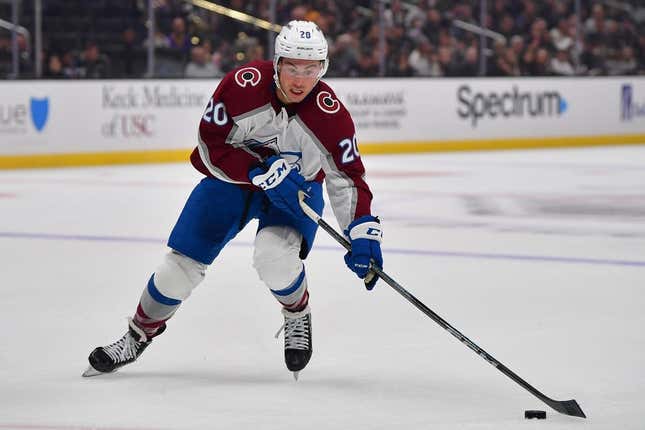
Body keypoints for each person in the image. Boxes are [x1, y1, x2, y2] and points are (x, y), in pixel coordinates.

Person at [82, 20, 383, 380]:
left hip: (294, 190)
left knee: (274, 259)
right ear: (277, 64)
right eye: (291, 67)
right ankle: (136, 336)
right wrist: (255, 171)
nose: (300, 79)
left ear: (323, 68)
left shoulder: (331, 117)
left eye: (310, 69)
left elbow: (346, 178)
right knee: (179, 268)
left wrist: (362, 232)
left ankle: (296, 312)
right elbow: (210, 144)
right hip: (231, 182)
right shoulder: (242, 87)